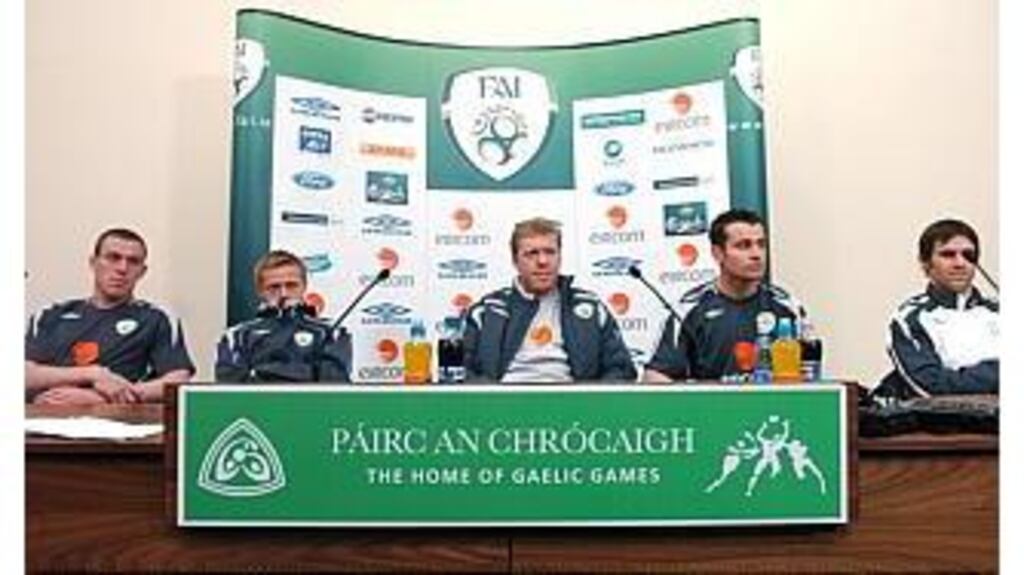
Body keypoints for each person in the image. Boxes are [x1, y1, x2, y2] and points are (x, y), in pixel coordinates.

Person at [25, 228, 194, 404]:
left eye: (133, 261)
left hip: (121, 422)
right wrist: (93, 374)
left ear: (142, 272)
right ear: (93, 263)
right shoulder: (50, 314)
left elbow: (178, 379)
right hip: (47, 418)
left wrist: (104, 399)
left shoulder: (156, 318)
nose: (122, 268)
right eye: (113, 258)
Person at [462, 217, 636, 382]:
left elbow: (621, 370)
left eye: (550, 252)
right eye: (531, 253)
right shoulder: (487, 311)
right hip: (504, 407)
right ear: (515, 260)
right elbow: (461, 372)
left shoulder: (590, 308)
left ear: (560, 256)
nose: (543, 261)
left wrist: (590, 404)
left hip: (573, 408)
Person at [644, 209, 807, 382]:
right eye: (743, 245)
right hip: (708, 407)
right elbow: (655, 376)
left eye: (761, 244)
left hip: (772, 408)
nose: (756, 254)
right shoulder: (689, 309)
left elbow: (810, 372)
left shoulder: (786, 306)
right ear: (718, 253)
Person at [878, 219, 998, 397]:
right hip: (945, 423)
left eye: (968, 255)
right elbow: (930, 386)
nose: (960, 263)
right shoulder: (910, 318)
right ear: (925, 263)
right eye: (948, 254)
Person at [215, 249, 352, 382]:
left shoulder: (332, 331)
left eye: (291, 285)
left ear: (304, 286)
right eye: (274, 287)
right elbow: (230, 387)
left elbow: (333, 383)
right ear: (260, 291)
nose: (284, 293)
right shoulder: (237, 336)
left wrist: (261, 372)